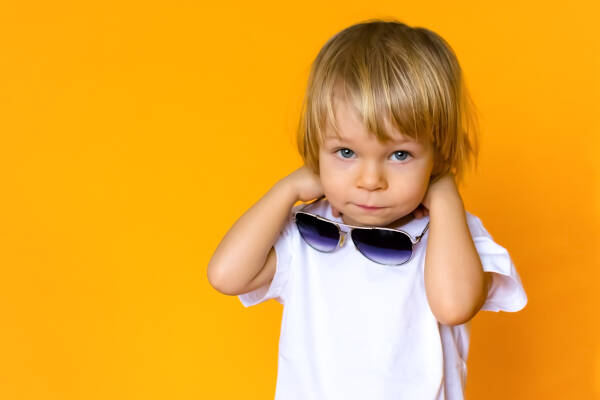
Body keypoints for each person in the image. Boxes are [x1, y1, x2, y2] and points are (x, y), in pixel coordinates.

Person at [207, 18, 528, 399]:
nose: (370, 179)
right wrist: (287, 189)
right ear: (317, 151)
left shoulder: (450, 232)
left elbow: (453, 305)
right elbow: (225, 276)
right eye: (346, 152)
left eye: (399, 154)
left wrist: (444, 196)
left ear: (437, 155)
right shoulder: (306, 234)